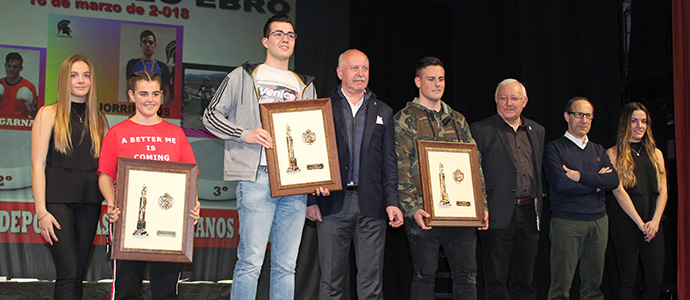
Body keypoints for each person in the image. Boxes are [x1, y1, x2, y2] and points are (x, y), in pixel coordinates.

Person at [202, 15, 325, 300]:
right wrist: (244, 134)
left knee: (286, 266)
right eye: (278, 34)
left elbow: (314, 137)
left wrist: (317, 177)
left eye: (291, 35)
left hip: (294, 184)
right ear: (265, 41)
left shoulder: (304, 85)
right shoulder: (244, 75)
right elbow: (210, 116)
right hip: (256, 176)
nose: (285, 39)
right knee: (251, 261)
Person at [306, 49, 403, 300]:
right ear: (340, 72)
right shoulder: (322, 107)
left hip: (373, 205)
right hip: (332, 204)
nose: (361, 74)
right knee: (331, 283)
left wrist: (393, 202)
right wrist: (311, 200)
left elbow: (389, 163)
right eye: (354, 68)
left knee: (372, 284)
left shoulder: (384, 111)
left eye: (365, 68)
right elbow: (310, 157)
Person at [98, 71, 201, 300]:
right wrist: (112, 203)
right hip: (127, 222)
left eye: (156, 93)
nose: (150, 99)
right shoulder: (117, 133)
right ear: (131, 95)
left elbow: (190, 175)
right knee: (126, 290)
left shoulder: (176, 134)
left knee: (165, 292)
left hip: (168, 224)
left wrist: (195, 204)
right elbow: (105, 175)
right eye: (143, 93)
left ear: (162, 95)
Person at [395, 57, 488, 300]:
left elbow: (473, 164)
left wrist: (481, 205)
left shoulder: (457, 119)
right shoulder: (405, 118)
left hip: (461, 214)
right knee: (424, 275)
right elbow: (400, 165)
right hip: (424, 213)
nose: (437, 84)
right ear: (418, 81)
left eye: (441, 79)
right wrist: (412, 208)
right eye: (431, 79)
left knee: (467, 275)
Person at [31, 54, 108, 300]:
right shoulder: (47, 114)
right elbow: (37, 165)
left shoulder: (99, 119)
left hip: (90, 203)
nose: (81, 80)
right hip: (57, 202)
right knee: (68, 271)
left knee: (77, 275)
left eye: (86, 75)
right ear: (65, 79)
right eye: (74, 75)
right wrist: (41, 211)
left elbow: (108, 168)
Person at [470, 78, 544, 300]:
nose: (509, 103)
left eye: (514, 98)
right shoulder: (480, 130)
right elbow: (474, 174)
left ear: (525, 102)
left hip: (529, 213)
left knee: (525, 280)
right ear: (495, 100)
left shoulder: (537, 131)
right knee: (496, 280)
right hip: (496, 213)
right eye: (503, 98)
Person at [543, 97, 619, 300]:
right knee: (561, 287)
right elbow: (560, 184)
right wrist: (596, 183)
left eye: (588, 116)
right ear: (567, 116)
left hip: (598, 221)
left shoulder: (598, 150)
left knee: (593, 288)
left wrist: (581, 177)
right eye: (579, 114)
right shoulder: (555, 148)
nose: (584, 120)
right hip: (567, 222)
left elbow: (612, 180)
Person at [606, 102, 667, 300]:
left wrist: (655, 221)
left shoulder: (655, 153)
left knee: (655, 279)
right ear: (625, 123)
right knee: (628, 279)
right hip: (626, 221)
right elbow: (618, 191)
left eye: (644, 122)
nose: (640, 126)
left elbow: (663, 190)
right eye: (634, 121)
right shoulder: (613, 153)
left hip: (652, 222)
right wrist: (640, 223)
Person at [125, 30, 172, 105]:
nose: (147, 45)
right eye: (145, 42)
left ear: (155, 45)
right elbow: (128, 88)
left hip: (155, 107)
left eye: (150, 42)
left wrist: (160, 109)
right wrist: (132, 107)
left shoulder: (163, 67)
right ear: (141, 44)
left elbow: (167, 93)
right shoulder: (132, 64)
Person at [1, 52, 38, 118]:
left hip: (19, 126)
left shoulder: (29, 87)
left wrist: (29, 106)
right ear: (5, 66)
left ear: (21, 68)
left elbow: (34, 115)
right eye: (9, 66)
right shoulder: (0, 83)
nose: (11, 69)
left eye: (15, 67)